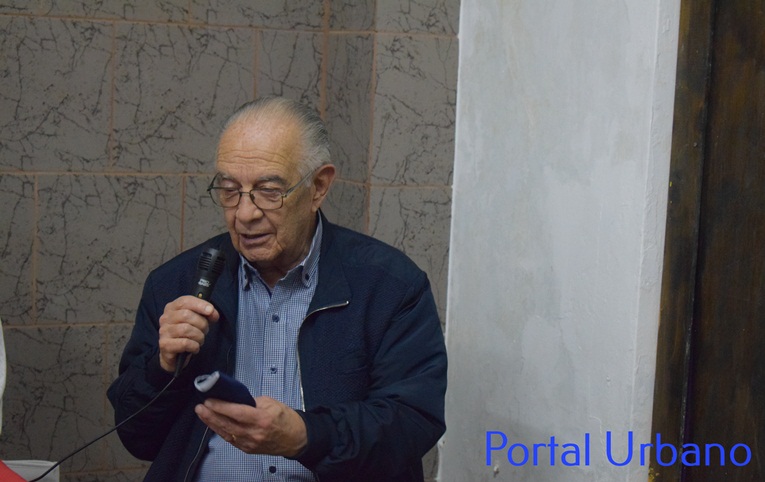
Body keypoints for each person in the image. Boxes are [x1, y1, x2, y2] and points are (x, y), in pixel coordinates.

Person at [107, 97, 447, 482]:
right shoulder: (177, 283)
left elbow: (412, 424)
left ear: (318, 187)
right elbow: (137, 438)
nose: (245, 213)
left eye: (269, 191)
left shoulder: (389, 286)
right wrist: (162, 367)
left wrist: (306, 436)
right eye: (230, 190)